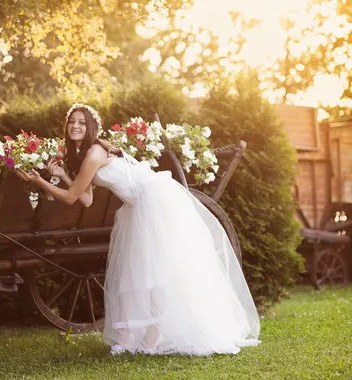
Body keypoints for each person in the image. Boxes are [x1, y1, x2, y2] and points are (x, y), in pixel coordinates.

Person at [15, 104, 261, 356]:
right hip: (138, 205)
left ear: (91, 128)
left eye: (82, 122)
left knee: (157, 272)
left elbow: (70, 198)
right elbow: (85, 199)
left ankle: (150, 340)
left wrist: (39, 180)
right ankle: (132, 337)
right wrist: (63, 175)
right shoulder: (87, 154)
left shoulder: (94, 153)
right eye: (72, 122)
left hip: (153, 201)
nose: (75, 126)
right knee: (137, 272)